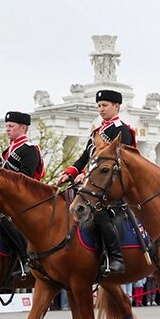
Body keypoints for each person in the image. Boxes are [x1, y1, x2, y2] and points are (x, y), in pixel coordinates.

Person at [57, 90, 136, 275]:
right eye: (99, 106)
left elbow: (122, 161)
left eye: (105, 105)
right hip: (94, 185)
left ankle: (115, 258)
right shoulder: (97, 132)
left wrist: (85, 174)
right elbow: (86, 157)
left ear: (116, 107)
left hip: (112, 187)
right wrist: (70, 173)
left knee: (99, 214)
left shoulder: (122, 130)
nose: (101, 109)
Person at [0, 110, 44, 277]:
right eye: (6, 126)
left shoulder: (29, 149)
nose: (7, 129)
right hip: (8, 200)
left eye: (11, 126)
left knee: (5, 219)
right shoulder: (6, 151)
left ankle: (26, 258)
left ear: (23, 127)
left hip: (27, 199)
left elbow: (27, 179)